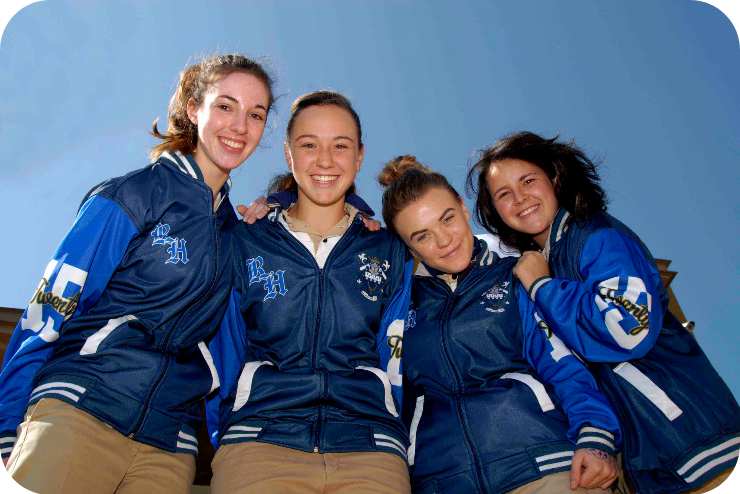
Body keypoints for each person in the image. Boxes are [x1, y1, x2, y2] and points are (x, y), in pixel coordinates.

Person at [0, 53, 275, 494]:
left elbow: (229, 353)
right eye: (226, 106)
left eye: (256, 114)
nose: (240, 126)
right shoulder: (134, 194)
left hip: (169, 449)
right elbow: (50, 307)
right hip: (80, 411)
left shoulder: (236, 236)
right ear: (194, 109)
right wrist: (7, 424)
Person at [468, 131, 740, 494]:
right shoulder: (540, 264)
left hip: (696, 443)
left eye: (528, 181)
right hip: (643, 463)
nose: (519, 198)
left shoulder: (594, 234)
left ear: (555, 178)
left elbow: (626, 327)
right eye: (503, 194)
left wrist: (543, 287)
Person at [205, 90, 414, 494]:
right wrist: (230, 429)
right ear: (288, 154)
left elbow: (396, 353)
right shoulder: (246, 240)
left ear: (359, 156)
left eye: (341, 146)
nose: (325, 160)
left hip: (370, 446)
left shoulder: (390, 249)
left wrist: (392, 430)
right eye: (309, 145)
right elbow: (225, 348)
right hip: (258, 441)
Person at [377, 155, 622, 494]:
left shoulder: (516, 276)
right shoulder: (398, 307)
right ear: (406, 245)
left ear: (463, 208)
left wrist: (595, 434)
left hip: (543, 465)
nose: (444, 240)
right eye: (422, 236)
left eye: (448, 219)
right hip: (444, 482)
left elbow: (562, 363)